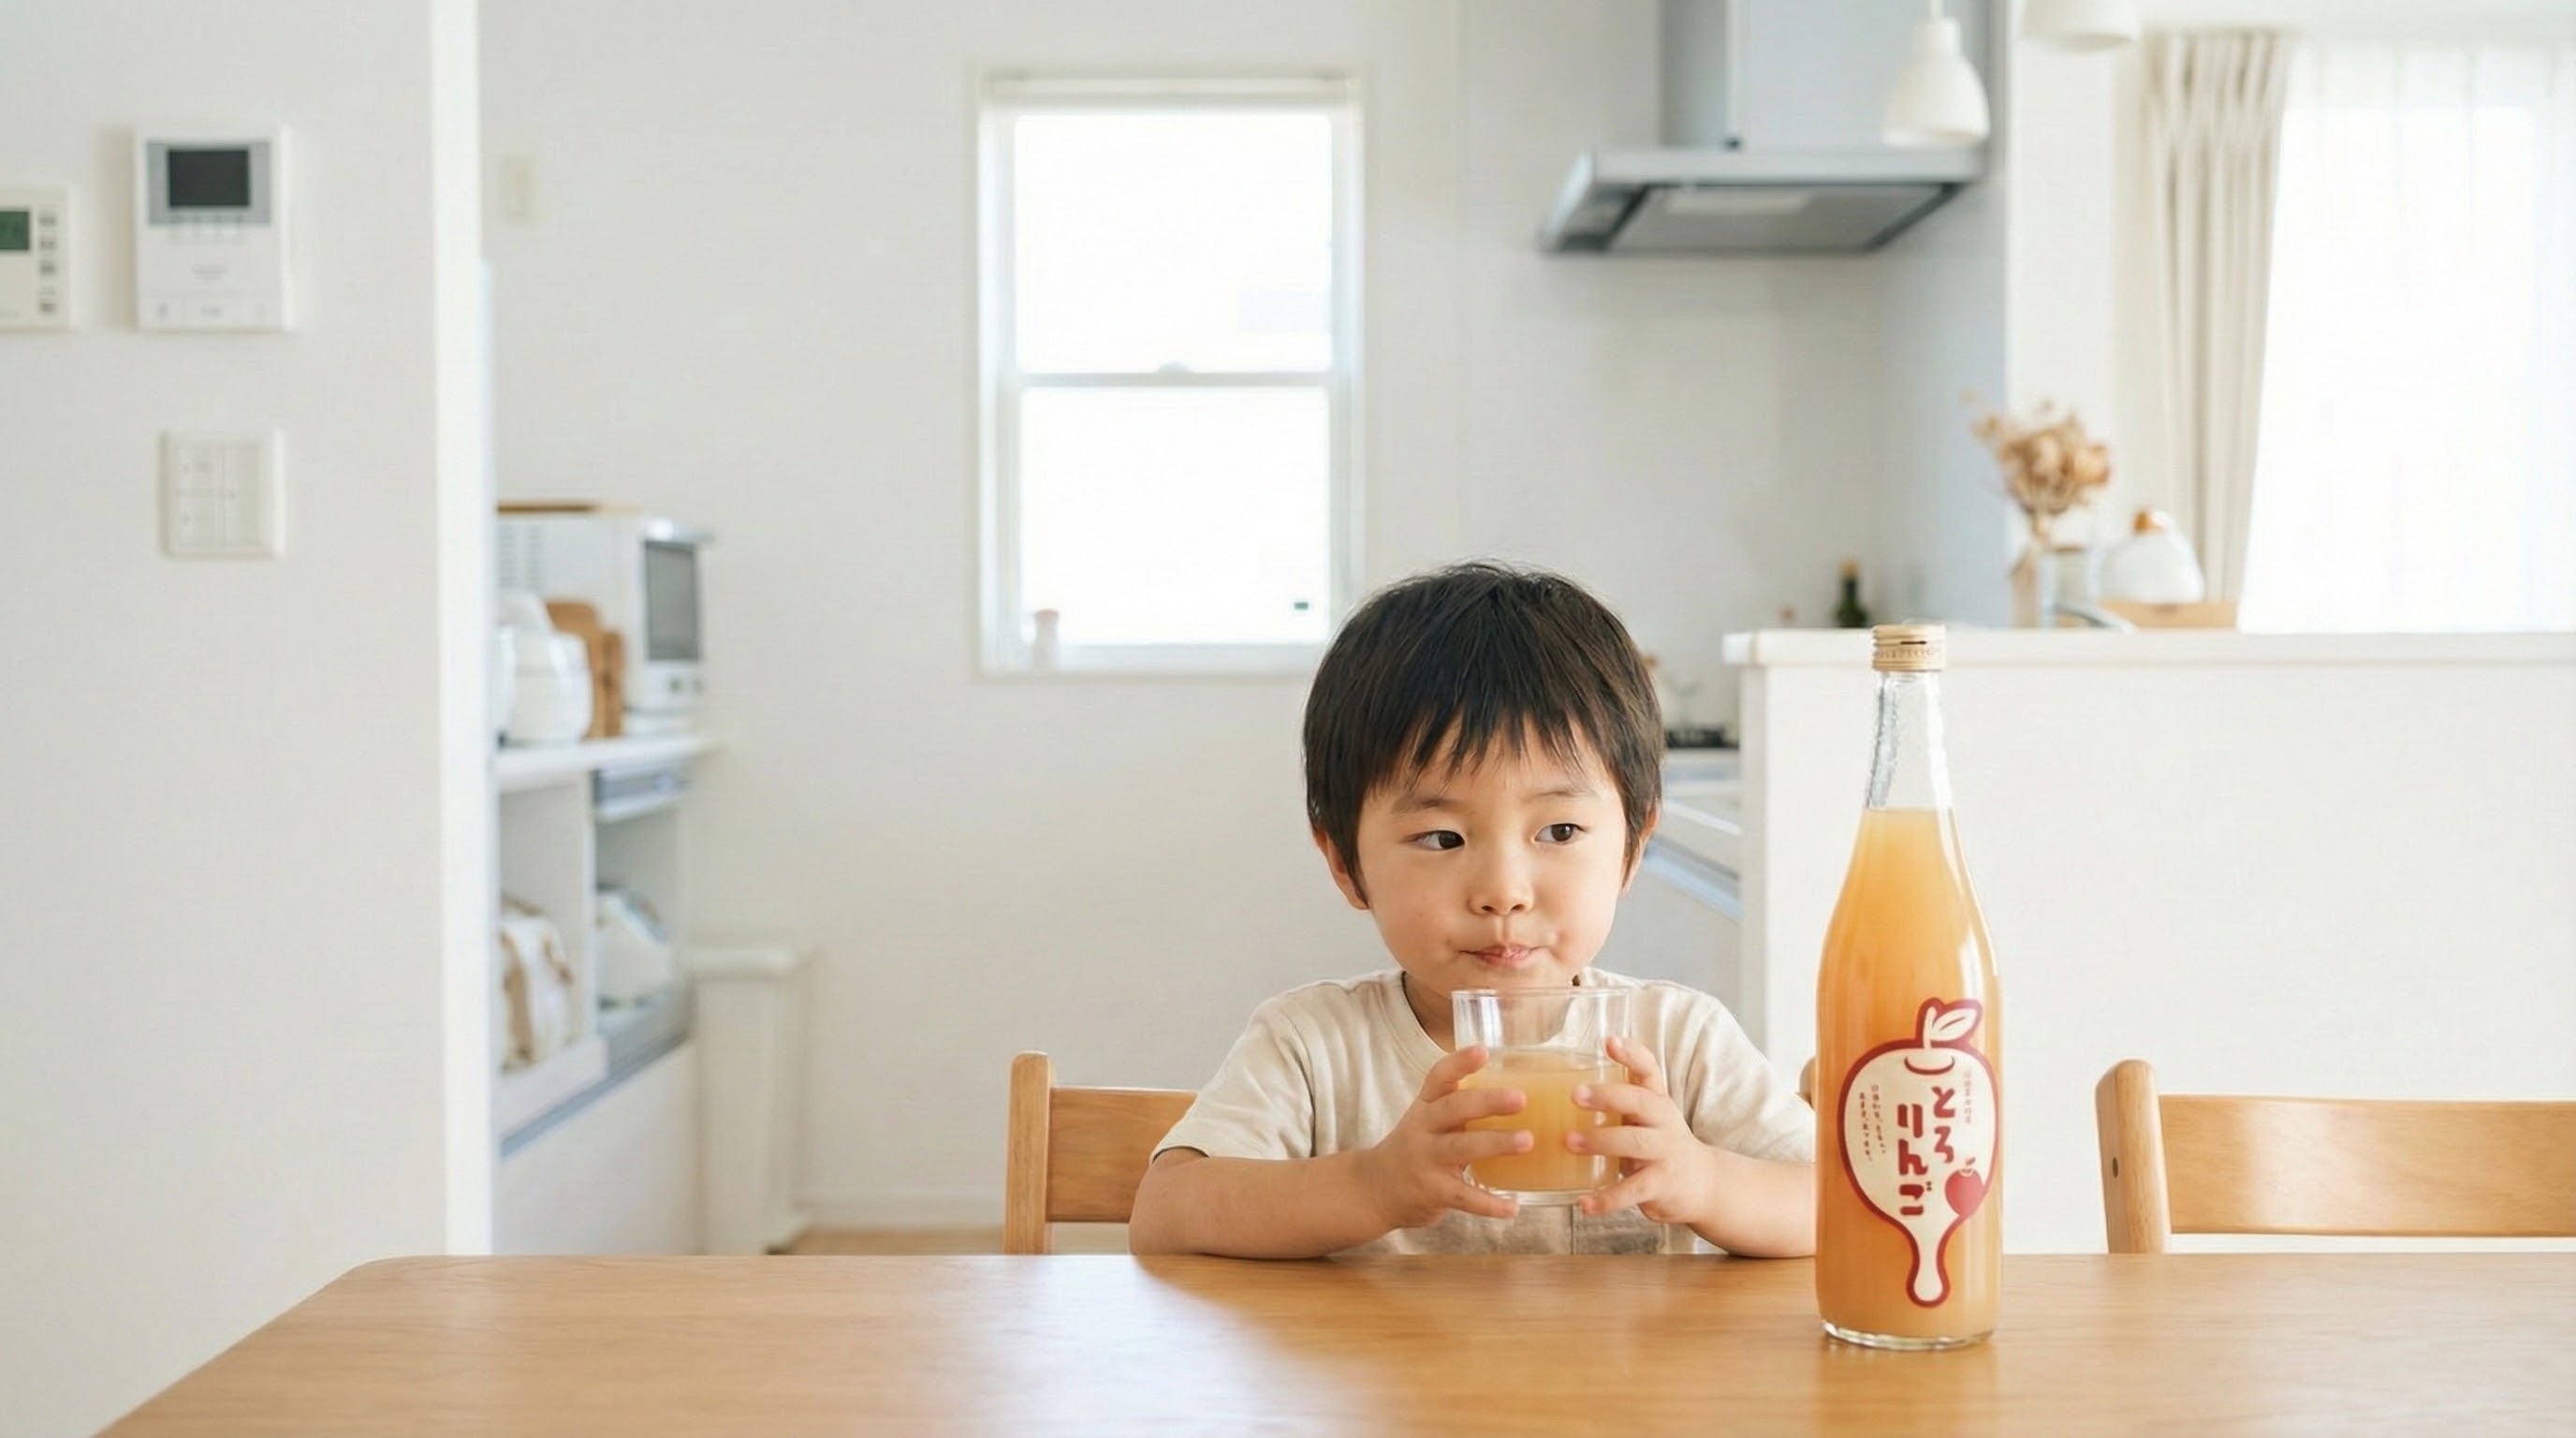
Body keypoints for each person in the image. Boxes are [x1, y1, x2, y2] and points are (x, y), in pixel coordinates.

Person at [1128, 562, 1815, 1257]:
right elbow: (1166, 1216)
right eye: (1442, 838)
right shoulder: (1313, 1045)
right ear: (1345, 862)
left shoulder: (1678, 1040)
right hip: (1383, 1368)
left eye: (1559, 832)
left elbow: (1842, 1207)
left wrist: (1705, 1181)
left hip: (1608, 1370)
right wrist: (1372, 1186)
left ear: (1634, 848)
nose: (1503, 891)